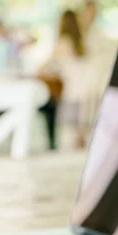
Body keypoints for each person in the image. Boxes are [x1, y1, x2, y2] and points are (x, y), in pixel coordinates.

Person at [40, 10, 90, 149]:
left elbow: (43, 67)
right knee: (80, 134)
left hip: (71, 93)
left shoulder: (63, 43)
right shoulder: (83, 42)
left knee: (67, 134)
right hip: (86, 92)